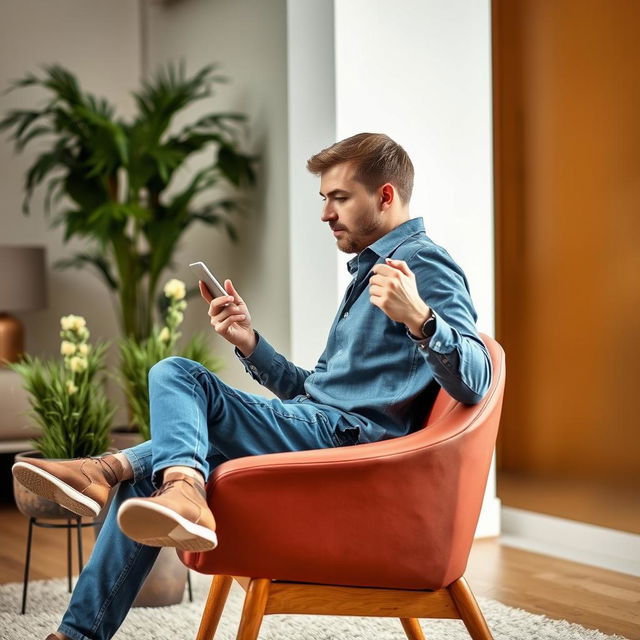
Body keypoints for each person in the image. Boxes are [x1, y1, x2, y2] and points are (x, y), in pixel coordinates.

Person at [12, 132, 492, 640]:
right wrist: (248, 341)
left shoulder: (422, 263)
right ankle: (78, 623)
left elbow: (476, 379)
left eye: (339, 197)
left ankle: (135, 477)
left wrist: (420, 317)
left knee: (177, 373)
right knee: (153, 474)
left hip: (351, 451)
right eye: (323, 199)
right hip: (323, 429)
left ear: (386, 196)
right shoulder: (369, 271)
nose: (326, 213)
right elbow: (312, 393)